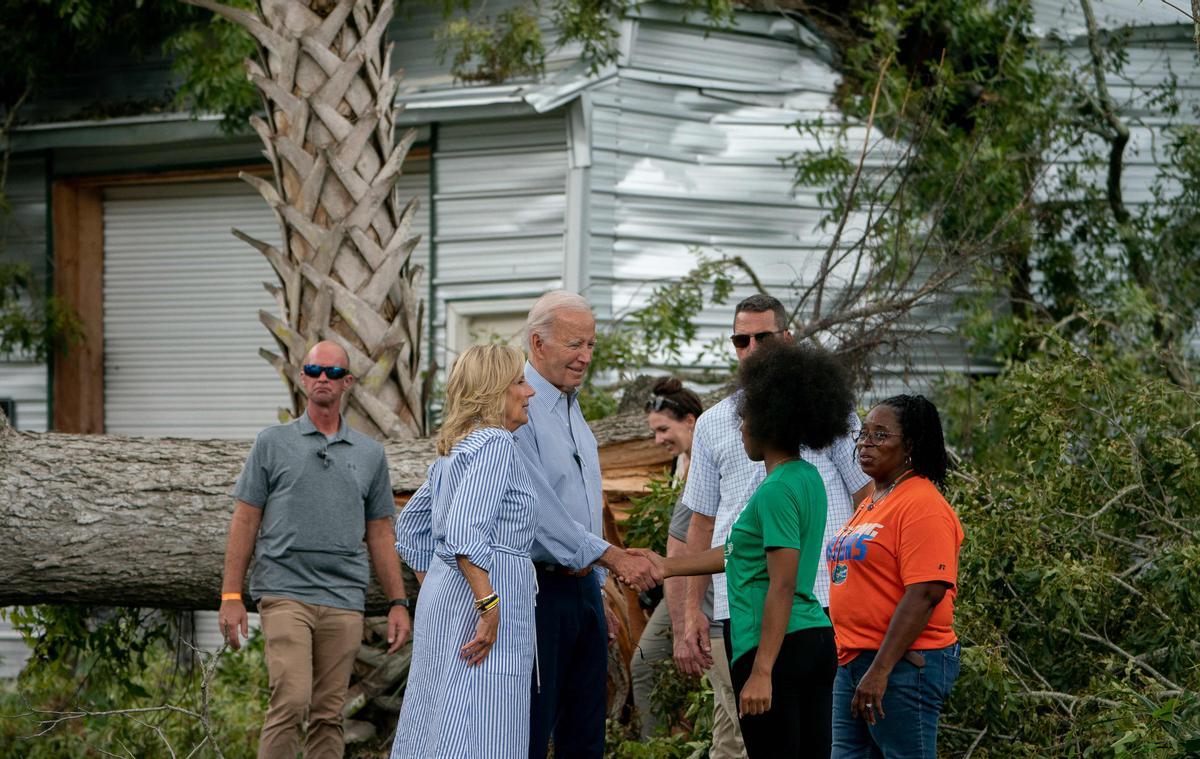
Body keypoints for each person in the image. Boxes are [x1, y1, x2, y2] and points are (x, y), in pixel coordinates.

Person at [633, 340, 854, 757]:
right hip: (813, 637)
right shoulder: (808, 479)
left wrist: (762, 670)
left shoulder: (774, 492)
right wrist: (667, 567)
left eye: (746, 419)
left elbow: (782, 583)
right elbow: (738, 552)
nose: (740, 429)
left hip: (772, 646)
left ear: (771, 422)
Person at [679, 293, 869, 757]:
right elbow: (702, 523)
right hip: (741, 609)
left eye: (762, 337)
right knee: (737, 740)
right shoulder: (712, 423)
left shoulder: (826, 415)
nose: (751, 348)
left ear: (787, 338)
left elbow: (870, 500)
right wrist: (690, 611)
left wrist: (869, 589)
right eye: (740, 340)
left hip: (823, 604)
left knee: (827, 738)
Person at [218, 340, 411, 759]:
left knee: (328, 714)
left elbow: (380, 532)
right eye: (315, 370)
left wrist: (398, 601)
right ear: (303, 377)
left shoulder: (370, 454)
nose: (324, 378)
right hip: (285, 592)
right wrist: (231, 595)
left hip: (343, 599)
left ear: (348, 384)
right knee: (290, 701)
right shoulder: (272, 443)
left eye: (335, 373)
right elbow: (245, 518)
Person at [517, 290, 660, 759]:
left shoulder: (572, 405)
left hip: (583, 591)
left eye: (592, 345)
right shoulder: (517, 406)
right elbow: (536, 512)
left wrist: (598, 590)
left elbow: (582, 508)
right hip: (537, 592)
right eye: (574, 344)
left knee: (586, 733)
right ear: (538, 344)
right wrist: (614, 558)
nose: (585, 357)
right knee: (530, 731)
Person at [391, 344, 539, 758]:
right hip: (480, 602)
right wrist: (489, 605)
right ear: (496, 390)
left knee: (442, 714)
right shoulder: (494, 444)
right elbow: (463, 529)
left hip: (451, 596)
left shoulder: (456, 449)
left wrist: (441, 584)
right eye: (520, 382)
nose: (530, 392)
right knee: (479, 720)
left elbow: (411, 527)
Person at [827, 395, 964, 759]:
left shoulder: (922, 505)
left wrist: (881, 669)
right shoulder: (874, 499)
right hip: (853, 661)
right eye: (863, 434)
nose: (865, 444)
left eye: (880, 435)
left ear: (910, 446)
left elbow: (925, 593)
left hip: (901, 664)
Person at [629, 377, 707, 739]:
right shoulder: (682, 462)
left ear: (690, 420)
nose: (658, 439)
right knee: (646, 664)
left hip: (708, 580)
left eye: (663, 429)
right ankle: (656, 746)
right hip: (679, 577)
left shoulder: (710, 458)